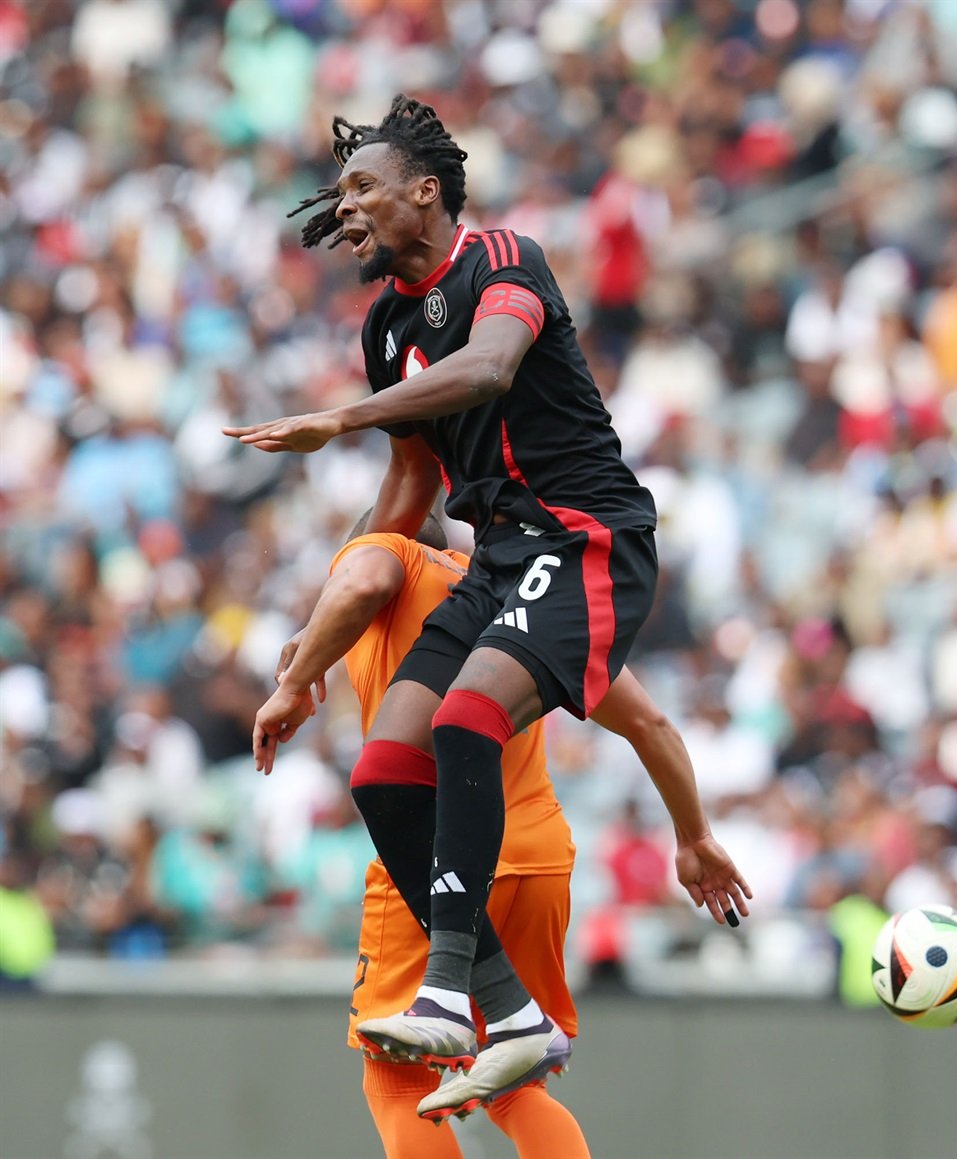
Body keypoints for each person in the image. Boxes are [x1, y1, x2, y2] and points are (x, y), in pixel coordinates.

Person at [224, 92, 663, 1104]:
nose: (348, 207)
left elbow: (490, 366)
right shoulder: (386, 328)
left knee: (467, 719)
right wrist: (305, 658)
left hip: (587, 540)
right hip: (499, 562)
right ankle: (509, 1015)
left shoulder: (504, 262)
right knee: (383, 772)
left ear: (426, 192)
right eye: (340, 192)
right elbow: (410, 493)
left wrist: (337, 418)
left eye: (365, 186)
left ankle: (447, 992)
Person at [253, 516, 751, 1150]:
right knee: (517, 1085)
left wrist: (299, 668)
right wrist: (693, 835)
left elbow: (361, 583)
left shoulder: (386, 562)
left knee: (398, 1082)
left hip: (432, 860)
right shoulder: (519, 599)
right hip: (538, 858)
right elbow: (650, 723)